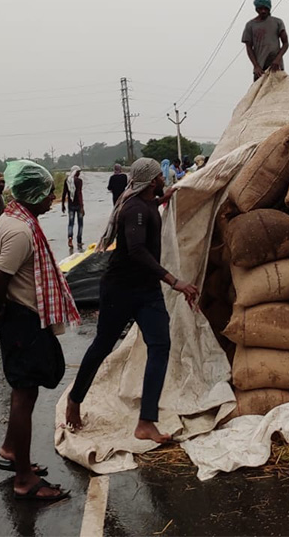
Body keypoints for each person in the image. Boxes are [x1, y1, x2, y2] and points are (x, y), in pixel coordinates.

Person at [65, 158, 200, 444]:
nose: (164, 178)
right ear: (152, 181)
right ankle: (75, 400)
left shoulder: (147, 202)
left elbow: (150, 210)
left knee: (160, 345)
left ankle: (146, 422)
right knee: (102, 345)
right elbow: (137, 251)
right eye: (160, 178)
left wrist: (164, 199)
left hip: (147, 291)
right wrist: (175, 281)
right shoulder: (135, 209)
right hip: (121, 290)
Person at [0, 160, 79, 503]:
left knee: (26, 391)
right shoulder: (21, 232)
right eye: (48, 192)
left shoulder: (14, 219)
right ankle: (24, 479)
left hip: (20, 316)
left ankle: (11, 449)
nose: (53, 197)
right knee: (24, 396)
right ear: (33, 194)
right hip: (23, 320)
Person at [242, 0, 288, 81]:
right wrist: (256, 66)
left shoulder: (277, 22)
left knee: (279, 92)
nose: (263, 11)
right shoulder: (250, 25)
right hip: (260, 69)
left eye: (266, 8)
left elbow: (286, 43)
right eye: (260, 8)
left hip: (276, 67)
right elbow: (249, 47)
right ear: (256, 9)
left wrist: (277, 59)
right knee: (258, 92)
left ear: (269, 9)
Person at [60, 166, 84, 254]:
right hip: (78, 205)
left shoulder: (67, 181)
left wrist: (63, 205)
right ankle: (79, 240)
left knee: (71, 223)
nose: (79, 173)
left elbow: (64, 193)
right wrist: (82, 206)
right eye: (78, 172)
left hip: (70, 205)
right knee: (80, 223)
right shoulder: (79, 181)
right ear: (76, 172)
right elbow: (79, 194)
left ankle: (70, 238)